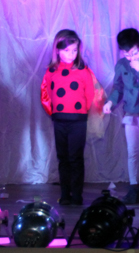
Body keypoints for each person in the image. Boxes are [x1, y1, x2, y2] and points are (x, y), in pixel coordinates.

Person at [103, 28, 139, 204]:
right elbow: (118, 88)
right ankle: (134, 189)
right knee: (132, 152)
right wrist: (110, 102)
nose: (131, 57)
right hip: (131, 113)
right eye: (127, 54)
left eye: (134, 53)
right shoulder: (122, 65)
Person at [41, 29, 98, 206]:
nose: (71, 54)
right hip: (59, 119)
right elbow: (45, 93)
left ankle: (77, 195)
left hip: (78, 120)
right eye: (66, 50)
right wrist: (54, 113)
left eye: (74, 50)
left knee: (75, 158)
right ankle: (65, 194)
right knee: (63, 158)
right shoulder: (51, 71)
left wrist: (81, 113)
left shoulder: (83, 71)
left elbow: (90, 93)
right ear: (57, 50)